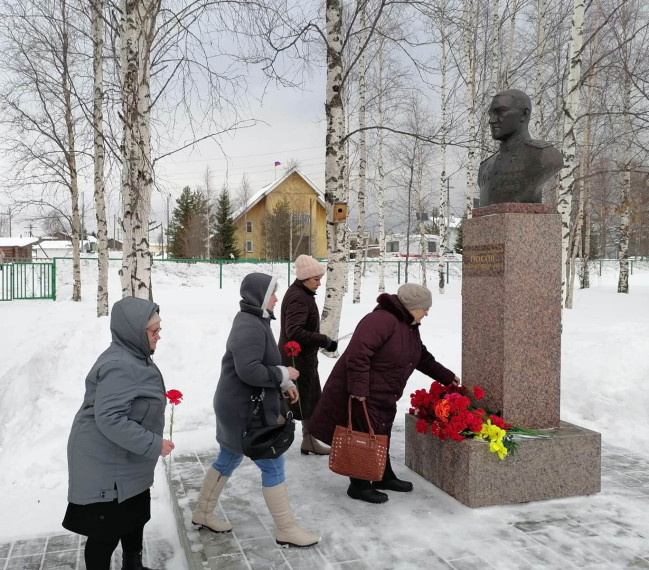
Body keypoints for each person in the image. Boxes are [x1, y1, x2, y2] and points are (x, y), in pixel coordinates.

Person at [192, 272, 320, 547]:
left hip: (237, 405)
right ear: (259, 296)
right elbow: (249, 370)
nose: (276, 298)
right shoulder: (249, 325)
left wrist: (283, 383)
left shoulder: (255, 320)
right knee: (273, 463)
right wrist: (283, 373)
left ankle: (202, 513)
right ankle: (285, 529)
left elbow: (259, 365)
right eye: (272, 293)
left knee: (229, 458)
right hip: (242, 411)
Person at [308, 283, 461, 504]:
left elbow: (421, 356)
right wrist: (359, 390)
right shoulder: (380, 321)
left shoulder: (407, 325)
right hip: (364, 392)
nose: (427, 313)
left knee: (380, 433)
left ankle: (382, 476)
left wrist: (447, 376)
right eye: (424, 308)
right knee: (364, 435)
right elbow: (358, 356)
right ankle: (359, 485)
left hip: (384, 393)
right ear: (412, 306)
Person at [63, 297, 174, 570]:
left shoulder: (134, 356)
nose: (159, 336)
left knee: (134, 517)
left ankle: (132, 566)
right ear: (134, 331)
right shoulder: (121, 364)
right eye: (154, 331)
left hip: (125, 461)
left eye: (159, 329)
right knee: (106, 533)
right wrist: (153, 443)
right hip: (106, 465)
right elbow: (110, 418)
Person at [278, 254, 336, 456]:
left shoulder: (301, 293)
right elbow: (294, 331)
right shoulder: (299, 297)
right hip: (296, 360)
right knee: (294, 401)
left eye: (320, 279)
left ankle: (309, 441)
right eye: (316, 279)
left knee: (308, 400)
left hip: (303, 358)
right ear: (304, 278)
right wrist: (324, 340)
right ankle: (272, 440)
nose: (319, 284)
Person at [478, 88, 563, 207]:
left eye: (500, 112)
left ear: (524, 114)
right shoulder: (485, 167)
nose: (491, 120)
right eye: (491, 114)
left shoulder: (544, 155)